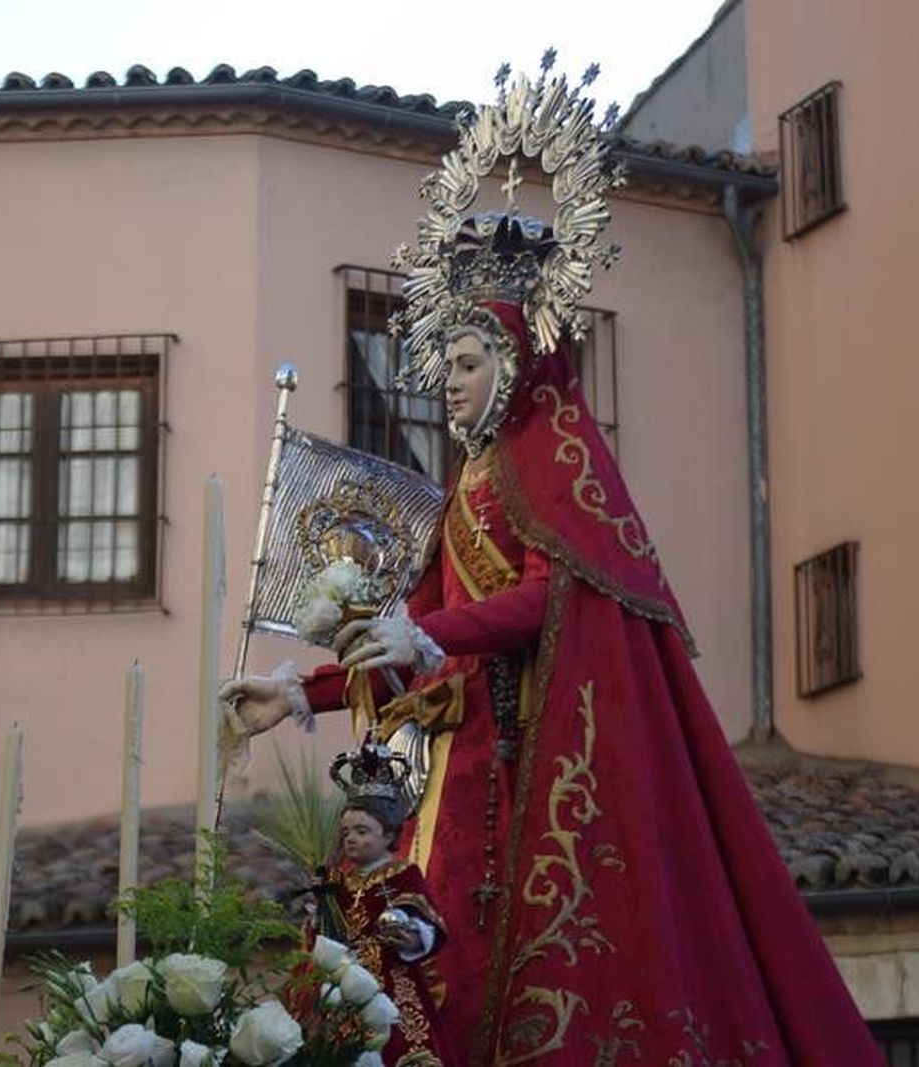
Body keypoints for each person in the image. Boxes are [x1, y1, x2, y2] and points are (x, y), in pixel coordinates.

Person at [222, 64, 884, 1066]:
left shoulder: (560, 471)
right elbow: (408, 648)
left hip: (550, 762)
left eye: (469, 362)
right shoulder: (465, 490)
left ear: (521, 362)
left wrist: (425, 629)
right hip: (468, 770)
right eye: (442, 367)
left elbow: (549, 595)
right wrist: (298, 690)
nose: (448, 385)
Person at [304, 750, 455, 1067]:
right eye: (346, 833)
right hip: (343, 989)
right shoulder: (340, 883)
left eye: (362, 831)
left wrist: (410, 933)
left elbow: (421, 916)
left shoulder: (403, 875)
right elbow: (324, 933)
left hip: (391, 987)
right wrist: (319, 911)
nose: (351, 840)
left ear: (388, 834)